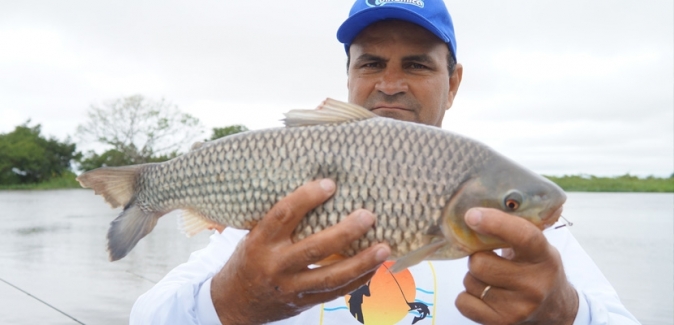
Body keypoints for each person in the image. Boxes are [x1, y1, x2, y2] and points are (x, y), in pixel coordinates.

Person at [130, 1, 639, 324]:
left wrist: (566, 315)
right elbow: (147, 318)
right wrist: (229, 305)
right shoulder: (276, 213)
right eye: (371, 62)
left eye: (416, 64)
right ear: (349, 76)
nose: (390, 83)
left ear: (453, 82)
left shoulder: (521, 236)